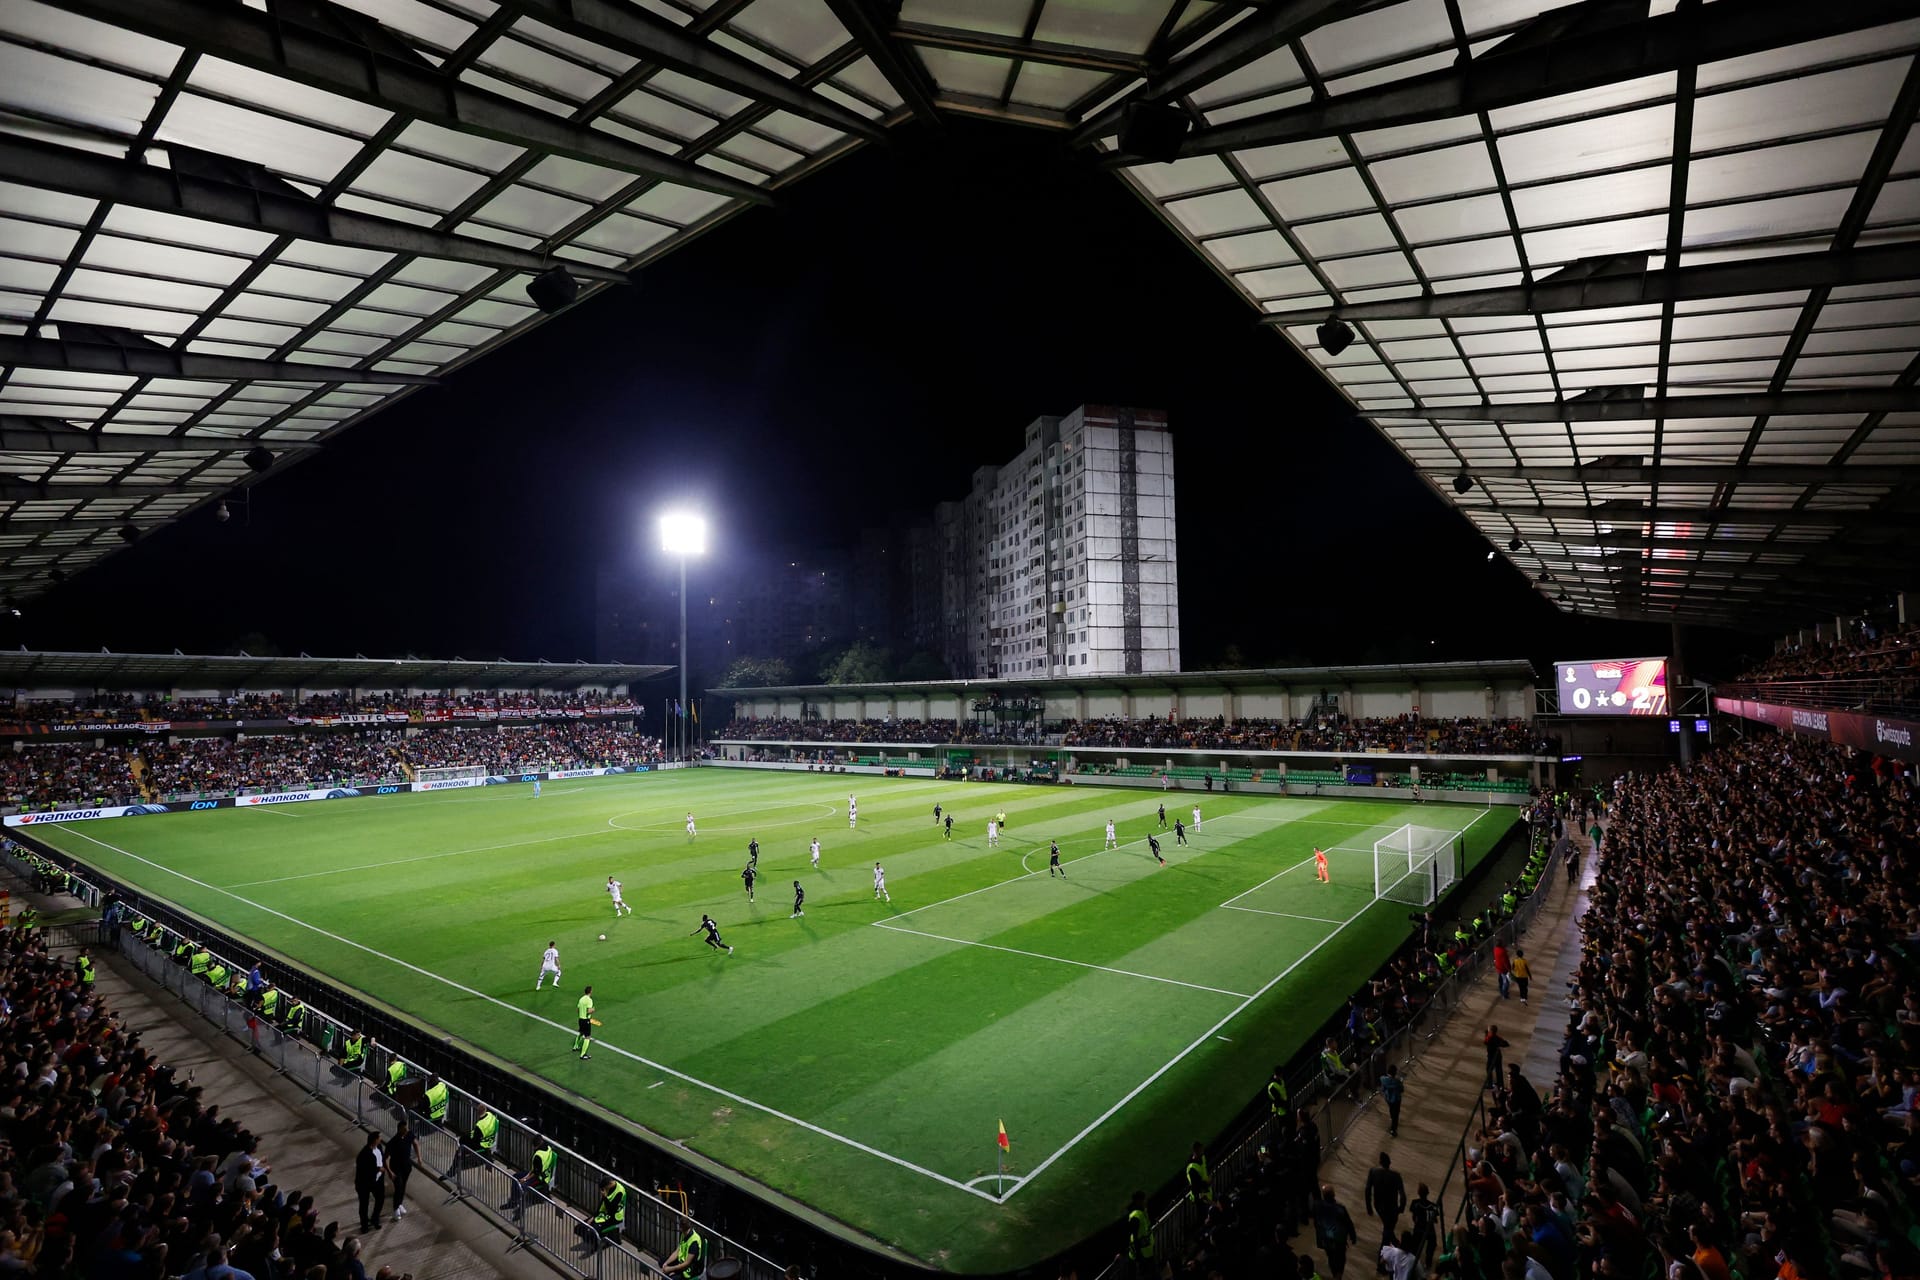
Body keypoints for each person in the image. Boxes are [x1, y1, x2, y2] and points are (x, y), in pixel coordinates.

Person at [502, 1135, 554, 1222]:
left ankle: (519, 1212)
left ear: (535, 1145)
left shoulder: (538, 1156)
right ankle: (513, 1201)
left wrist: (525, 1179)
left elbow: (535, 1173)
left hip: (540, 1179)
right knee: (516, 1176)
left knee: (521, 1187)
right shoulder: (548, 1147)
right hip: (542, 1173)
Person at [1312, 1184, 1358, 1277]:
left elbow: (1316, 1221)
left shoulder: (1317, 1205)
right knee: (1341, 1258)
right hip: (1338, 1240)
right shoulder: (1339, 1209)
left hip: (1325, 1238)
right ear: (1333, 1195)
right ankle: (1338, 1275)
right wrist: (1353, 1236)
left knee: (1330, 1257)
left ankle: (1335, 1273)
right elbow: (1348, 1223)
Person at [1364, 1151, 1405, 1245]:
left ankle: (1393, 1241)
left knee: (1387, 1226)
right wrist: (1401, 1208)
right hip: (1392, 1207)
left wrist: (1369, 1207)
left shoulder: (1373, 1172)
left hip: (1379, 1206)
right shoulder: (1396, 1176)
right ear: (1389, 1163)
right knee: (1388, 1228)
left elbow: (1367, 1190)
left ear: (1380, 1162)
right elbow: (1402, 1194)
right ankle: (1383, 1250)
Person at [354, 1130, 385, 1232]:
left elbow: (382, 1160)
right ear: (375, 1140)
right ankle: (364, 1225)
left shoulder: (379, 1148)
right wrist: (378, 1169)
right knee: (364, 1204)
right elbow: (365, 1170)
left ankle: (375, 1219)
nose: (381, 1139)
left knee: (380, 1199)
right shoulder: (364, 1154)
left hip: (377, 1180)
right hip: (364, 1183)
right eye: (379, 1138)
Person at [386, 1120, 417, 1220]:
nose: (407, 1130)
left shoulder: (409, 1135)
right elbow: (385, 1158)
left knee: (403, 1186)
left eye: (407, 1128)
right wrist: (390, 1172)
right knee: (398, 1187)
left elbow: (415, 1143)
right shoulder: (393, 1142)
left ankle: (400, 1204)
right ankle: (395, 1209)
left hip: (406, 1166)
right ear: (400, 1129)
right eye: (405, 1129)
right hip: (395, 1168)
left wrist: (419, 1157)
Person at [1122, 1189, 1153, 1276]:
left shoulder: (1143, 1212)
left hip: (1146, 1253)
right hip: (1142, 1256)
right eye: (1144, 1199)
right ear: (1139, 1201)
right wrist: (1139, 1257)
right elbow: (1133, 1236)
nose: (1146, 1201)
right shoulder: (1136, 1216)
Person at [1408, 1184, 1439, 1267]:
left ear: (1418, 1193)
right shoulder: (1433, 1206)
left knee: (1415, 1246)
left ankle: (1413, 1262)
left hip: (1419, 1228)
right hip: (1430, 1230)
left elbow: (1414, 1216)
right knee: (1431, 1246)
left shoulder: (1415, 1203)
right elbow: (1435, 1220)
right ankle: (1428, 1263)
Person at [1379, 1063, 1404, 1137]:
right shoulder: (1397, 1082)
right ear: (1395, 1073)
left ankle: (1392, 1118)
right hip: (1396, 1099)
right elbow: (1402, 1090)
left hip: (1388, 1098)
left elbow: (1383, 1089)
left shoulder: (1383, 1080)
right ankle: (1393, 1129)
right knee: (1396, 1114)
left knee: (1391, 1109)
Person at [1183, 1140, 1211, 1205]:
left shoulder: (1202, 1158)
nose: (1203, 1152)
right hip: (1200, 1198)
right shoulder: (1192, 1168)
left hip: (1206, 1194)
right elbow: (1196, 1186)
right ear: (1196, 1151)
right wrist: (1207, 1183)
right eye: (1201, 1150)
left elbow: (1204, 1170)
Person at [1483, 1024, 1509, 1089]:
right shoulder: (1497, 1037)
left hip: (1492, 1056)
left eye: (1489, 1030)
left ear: (1491, 1031)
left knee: (1489, 1069)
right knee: (1499, 1070)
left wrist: (1486, 1034)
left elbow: (1486, 1042)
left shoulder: (1490, 1037)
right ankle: (1500, 1084)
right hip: (1498, 1055)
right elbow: (1506, 1044)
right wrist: (1500, 1044)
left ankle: (1490, 1084)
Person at [573, 986, 595, 1060]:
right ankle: (583, 1055)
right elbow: (589, 1011)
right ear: (590, 992)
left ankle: (575, 1046)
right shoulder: (589, 1000)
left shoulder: (581, 999)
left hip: (580, 1019)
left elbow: (577, 1010)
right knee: (587, 1037)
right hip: (586, 1020)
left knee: (581, 1032)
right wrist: (593, 1010)